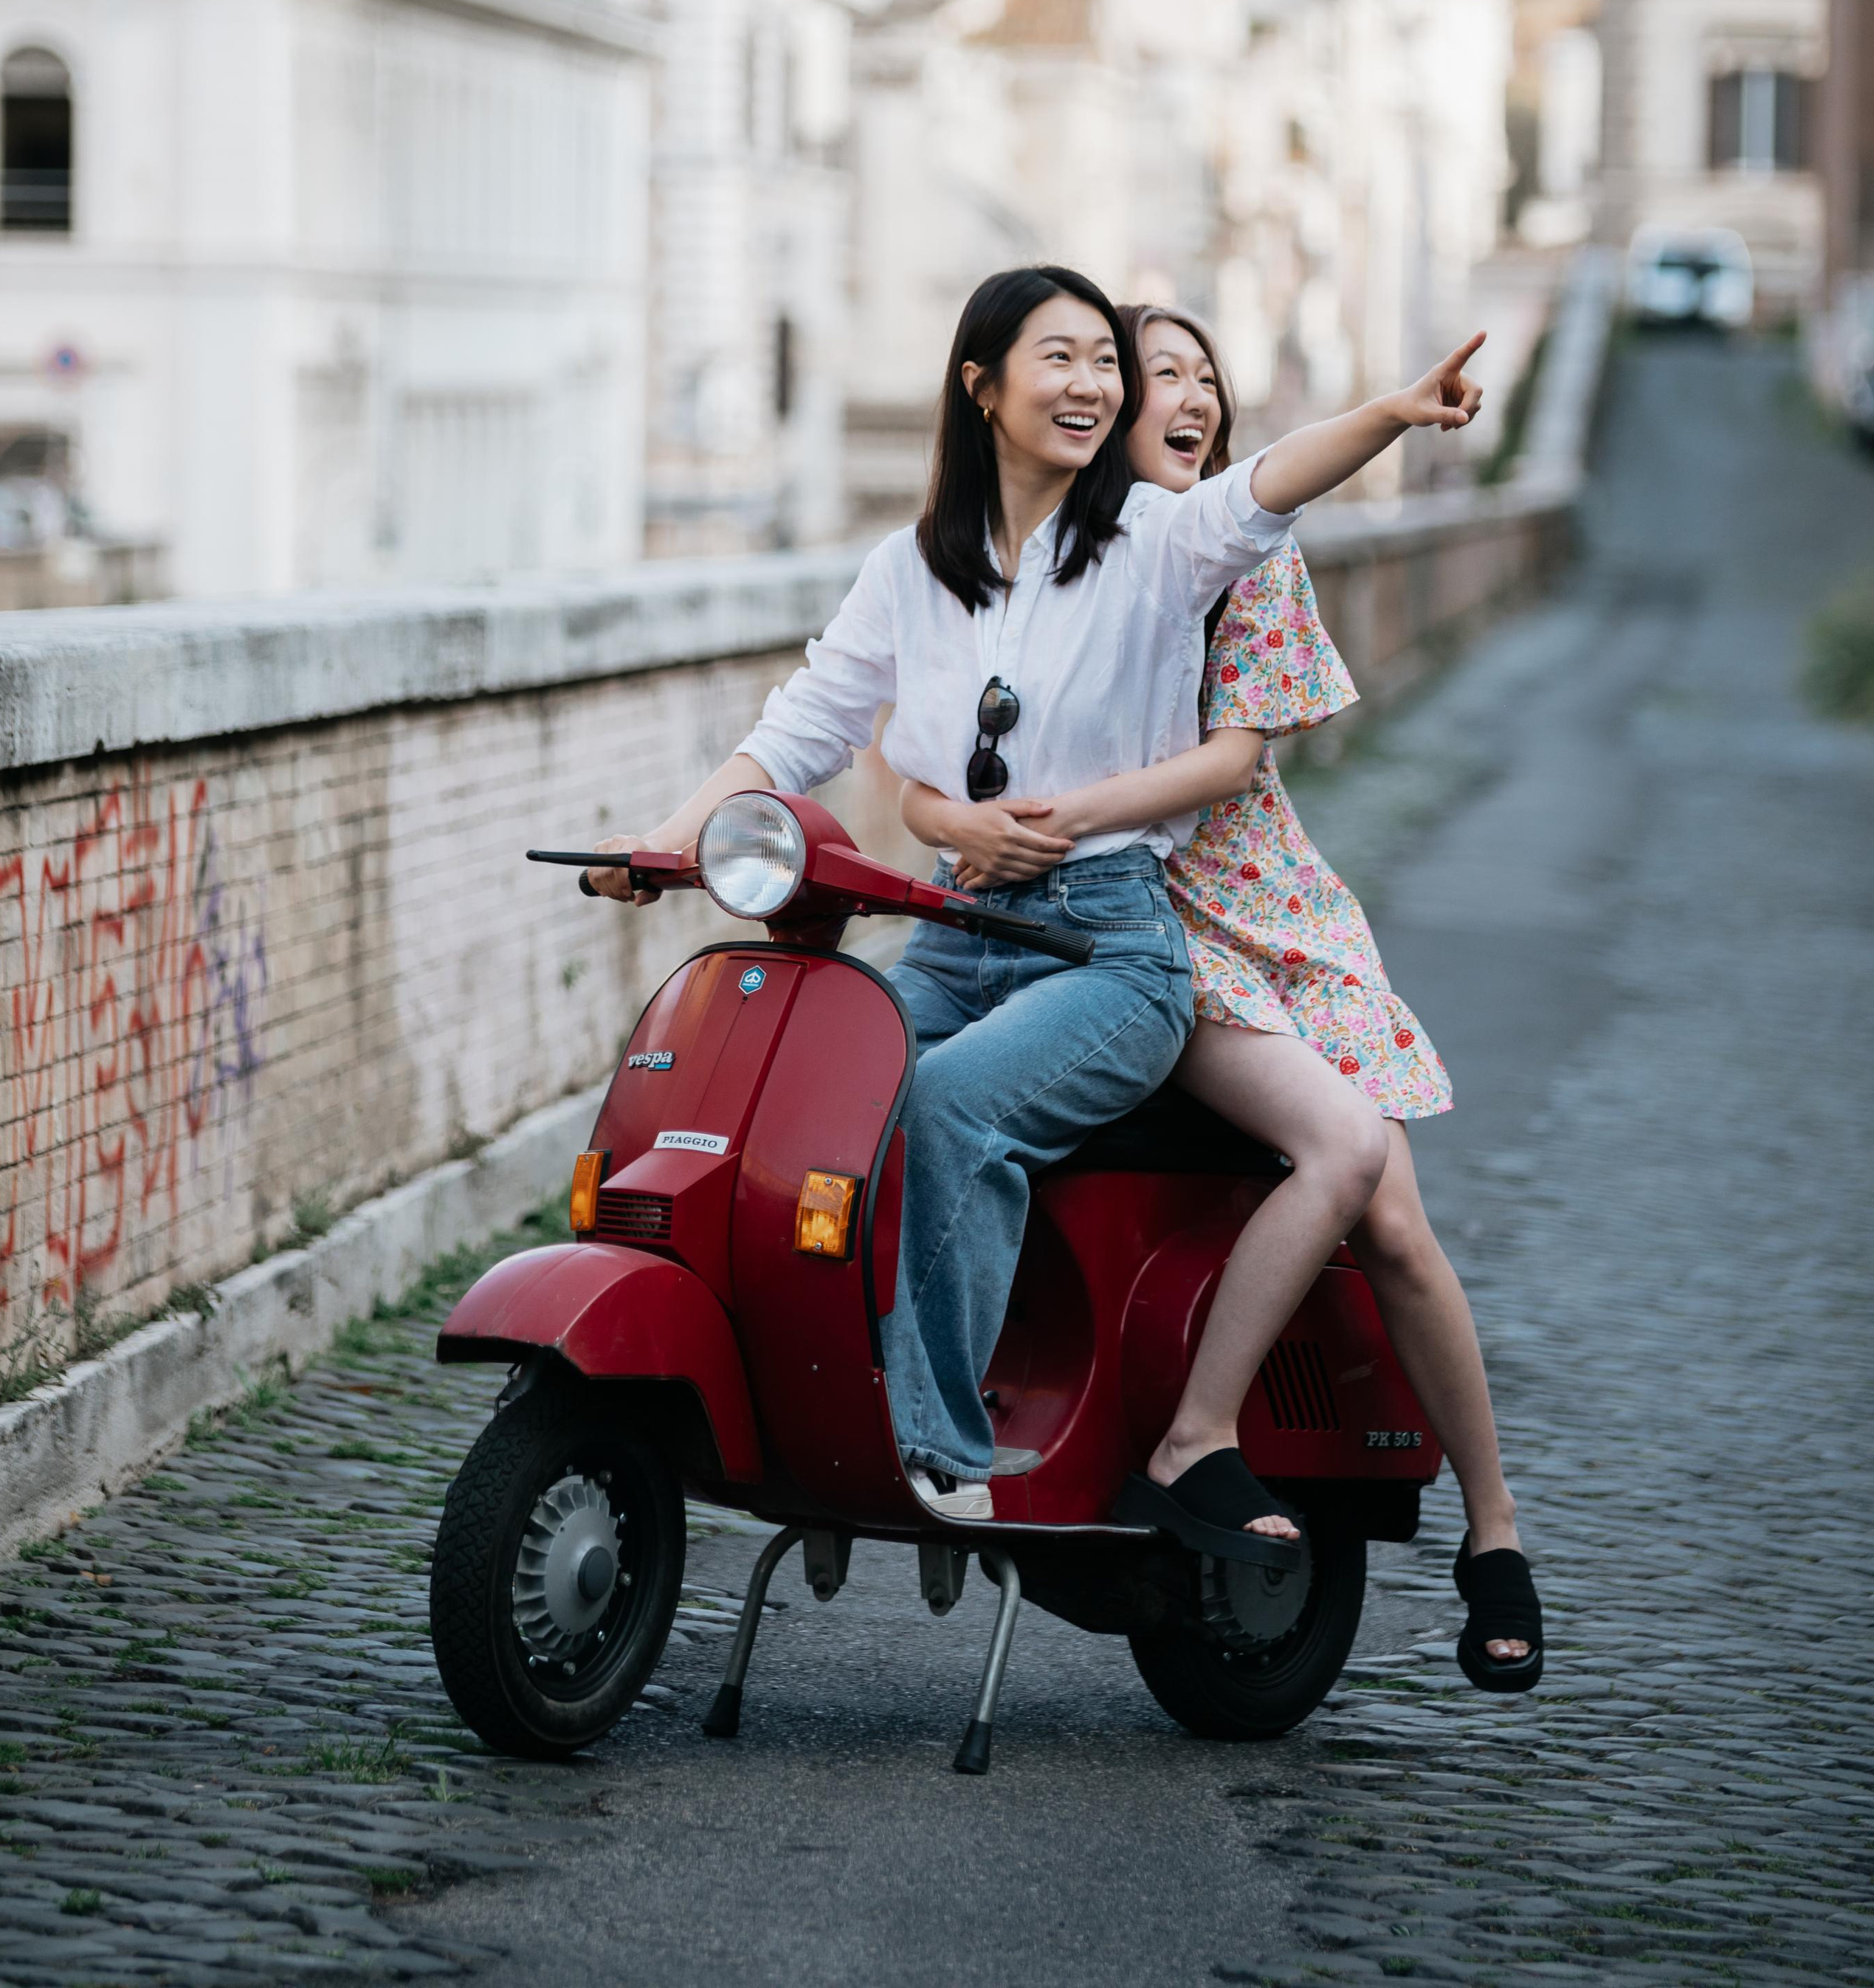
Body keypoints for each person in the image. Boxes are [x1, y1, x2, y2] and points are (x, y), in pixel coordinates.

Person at [588, 263, 1485, 1537]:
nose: (1091, 385)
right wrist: (671, 840)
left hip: (1113, 951)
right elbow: (806, 727)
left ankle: (933, 1442)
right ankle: (805, 1391)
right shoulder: (913, 570)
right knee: (814, 1107)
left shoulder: (1163, 547)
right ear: (982, 385)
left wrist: (1391, 415)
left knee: (954, 1106)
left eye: (1102, 363)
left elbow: (1267, 483)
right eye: (1060, 359)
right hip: (958, 935)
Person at [900, 303, 1541, 1691]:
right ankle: (1195, 1433)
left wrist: (1048, 816)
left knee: (1400, 1223)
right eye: (1158, 376)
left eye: (1206, 379)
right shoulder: (1057, 558)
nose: (1189, 398)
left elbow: (1237, 764)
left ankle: (1493, 1530)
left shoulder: (1241, 554)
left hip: (1266, 912)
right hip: (1139, 922)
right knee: (1342, 1149)